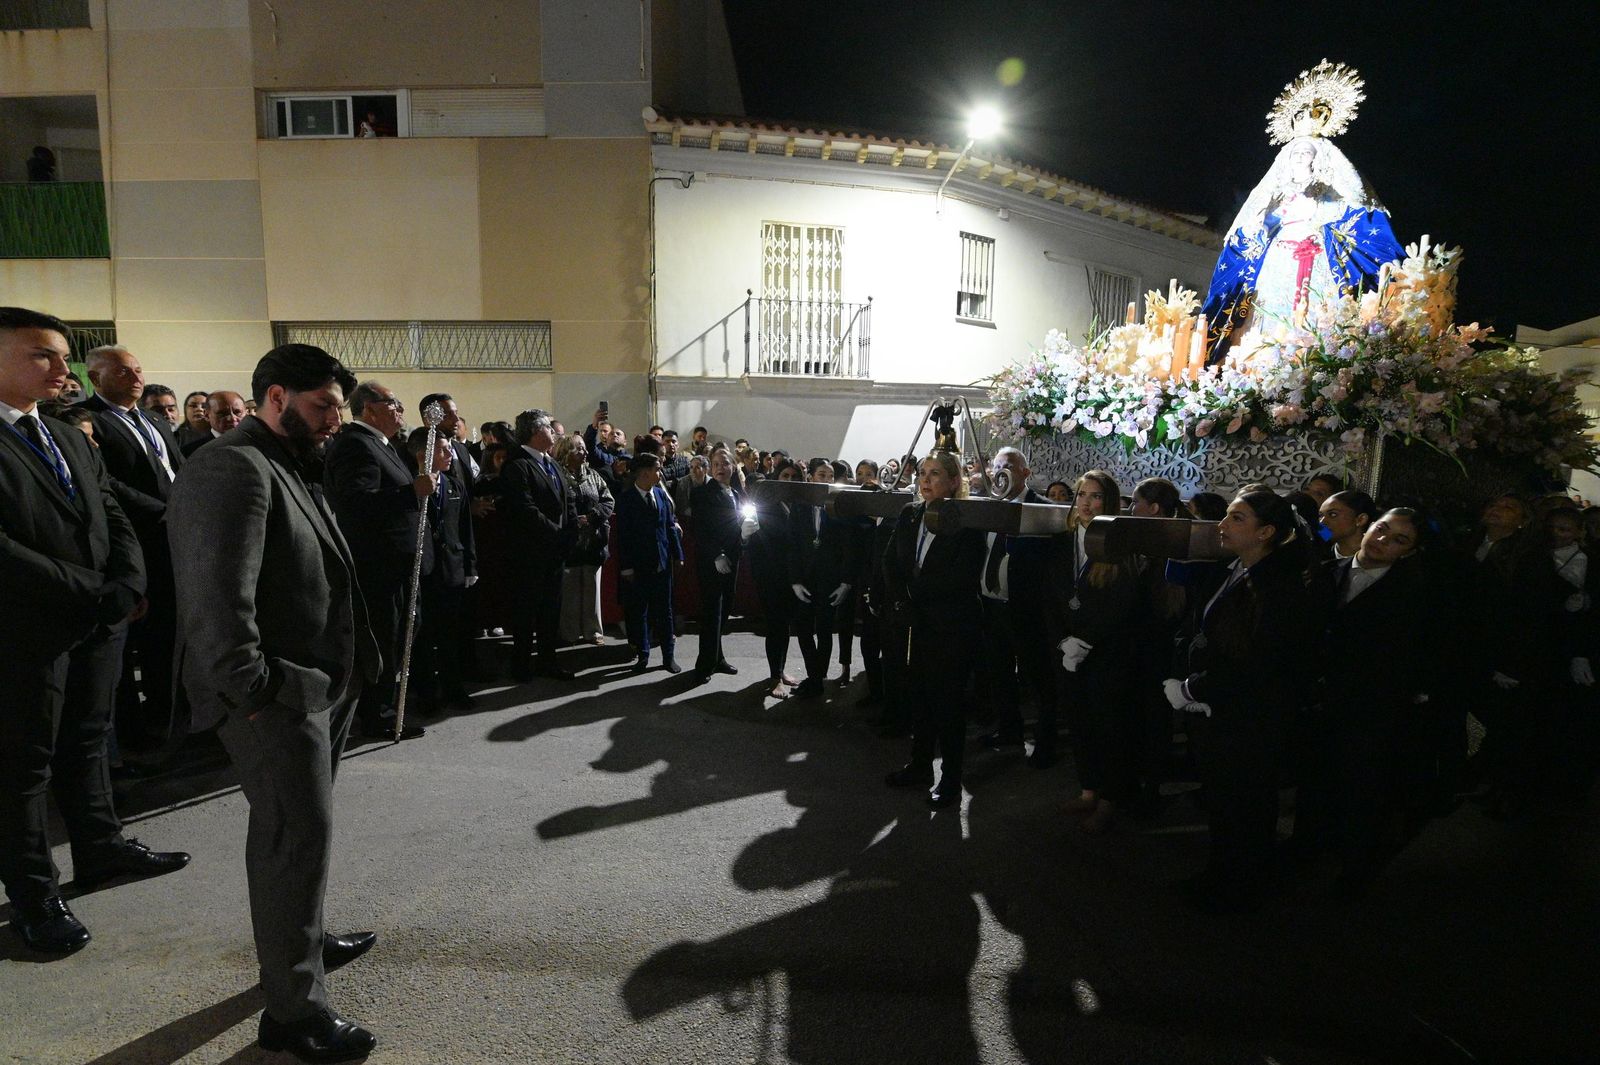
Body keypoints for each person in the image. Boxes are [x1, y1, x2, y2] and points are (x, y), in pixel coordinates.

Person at [168, 342, 381, 1061]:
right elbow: (216, 600)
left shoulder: (288, 457)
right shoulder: (230, 465)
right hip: (273, 694)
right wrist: (256, 693)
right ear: (276, 397)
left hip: (315, 684)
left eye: (338, 409)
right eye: (322, 407)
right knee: (294, 836)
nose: (333, 421)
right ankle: (293, 1012)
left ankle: (304, 945)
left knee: (304, 835)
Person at [0, 306, 189, 955]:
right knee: (23, 762)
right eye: (42, 354)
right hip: (25, 625)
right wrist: (88, 587)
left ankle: (101, 847)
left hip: (96, 616)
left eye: (64, 355)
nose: (63, 368)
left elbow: (109, 508)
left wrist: (129, 579)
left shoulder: (67, 434)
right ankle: (34, 895)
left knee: (86, 739)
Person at [1166, 491, 1317, 912]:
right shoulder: (1236, 568)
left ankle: (1242, 887)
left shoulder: (1278, 586)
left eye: (1236, 518)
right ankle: (1221, 874)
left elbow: (1255, 662)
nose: (1222, 525)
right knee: (1224, 801)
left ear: (1266, 532)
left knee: (1245, 804)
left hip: (1250, 716)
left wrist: (1194, 688)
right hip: (1224, 710)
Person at [1293, 507, 1431, 896]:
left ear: (1409, 551)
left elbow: (1407, 656)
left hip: (1369, 706)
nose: (1383, 540)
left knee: (1361, 787)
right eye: (1382, 529)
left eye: (1399, 539)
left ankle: (1355, 865)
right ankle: (1307, 846)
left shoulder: (1412, 593)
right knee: (1313, 778)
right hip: (1318, 700)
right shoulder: (1328, 572)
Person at [1202, 133, 1403, 358]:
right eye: (1295, 152)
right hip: (1279, 254)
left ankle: (1315, 354)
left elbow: (1351, 207)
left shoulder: (1326, 187)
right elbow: (1263, 221)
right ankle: (1264, 355)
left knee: (1316, 303)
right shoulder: (1277, 190)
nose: (1299, 156)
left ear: (1315, 158)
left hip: (1314, 250)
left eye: (1306, 152)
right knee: (1268, 304)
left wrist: (1316, 207)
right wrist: (1260, 223)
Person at [322, 382, 440, 740]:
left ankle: (386, 706)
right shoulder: (356, 445)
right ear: (369, 408)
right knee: (384, 640)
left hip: (398, 563)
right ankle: (378, 715)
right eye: (392, 403)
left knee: (401, 635)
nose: (400, 408)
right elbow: (356, 503)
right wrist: (411, 492)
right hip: (379, 564)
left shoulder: (382, 444)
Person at [81, 344, 184, 751]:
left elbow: (176, 469)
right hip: (135, 543)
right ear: (95, 378)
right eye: (123, 372)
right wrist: (163, 510)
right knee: (139, 642)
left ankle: (171, 719)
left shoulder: (155, 419)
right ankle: (137, 733)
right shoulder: (90, 421)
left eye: (138, 369)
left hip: (175, 538)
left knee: (171, 635)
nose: (136, 377)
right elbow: (105, 482)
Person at [882, 451, 986, 808]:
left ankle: (951, 780)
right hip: (916, 622)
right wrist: (902, 600)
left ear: (954, 481)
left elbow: (962, 575)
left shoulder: (967, 521)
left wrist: (913, 594)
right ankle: (920, 765)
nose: (925, 480)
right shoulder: (910, 513)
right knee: (920, 698)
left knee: (948, 704)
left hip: (951, 625)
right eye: (923, 473)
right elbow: (891, 561)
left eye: (935, 474)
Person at [1051, 470, 1141, 831]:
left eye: (1096, 496)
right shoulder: (1063, 541)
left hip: (1105, 652)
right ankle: (1088, 789)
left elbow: (1122, 604)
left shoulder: (1118, 545)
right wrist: (1063, 640)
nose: (1086, 503)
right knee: (1079, 722)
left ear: (1110, 502)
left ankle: (1109, 799)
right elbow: (1050, 596)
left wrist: (1087, 641)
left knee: (1108, 727)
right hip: (1069, 649)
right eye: (1082, 495)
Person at [973, 448, 1058, 767]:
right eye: (996, 466)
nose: (1000, 472)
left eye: (1007, 466)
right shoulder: (990, 507)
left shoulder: (1042, 509)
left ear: (1025, 472)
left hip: (1026, 608)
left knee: (1037, 677)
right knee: (999, 673)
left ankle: (1045, 741)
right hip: (992, 605)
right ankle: (1009, 729)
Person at [501, 408, 577, 683]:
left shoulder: (552, 463)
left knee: (550, 610)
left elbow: (568, 499)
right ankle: (521, 664)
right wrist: (557, 533)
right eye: (548, 428)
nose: (555, 433)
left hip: (554, 552)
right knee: (526, 611)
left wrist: (571, 530)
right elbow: (525, 509)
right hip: (530, 553)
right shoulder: (517, 465)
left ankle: (548, 661)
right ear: (535, 432)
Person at [404, 425, 476, 714]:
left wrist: (470, 565)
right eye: (443, 450)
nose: (450, 455)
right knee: (422, 637)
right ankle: (426, 694)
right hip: (422, 571)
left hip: (451, 568)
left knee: (450, 634)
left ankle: (453, 687)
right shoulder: (410, 484)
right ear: (423, 454)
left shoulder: (455, 485)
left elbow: (465, 528)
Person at [787, 457, 858, 698]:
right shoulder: (799, 506)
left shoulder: (838, 507)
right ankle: (814, 675)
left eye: (830, 476)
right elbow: (792, 545)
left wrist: (846, 582)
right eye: (821, 475)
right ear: (811, 477)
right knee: (803, 629)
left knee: (825, 630)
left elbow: (849, 546)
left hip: (830, 578)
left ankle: (816, 680)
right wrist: (795, 580)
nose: (827, 480)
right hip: (805, 579)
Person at [615, 452, 683, 673]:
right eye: (657, 469)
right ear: (644, 473)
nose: (660, 473)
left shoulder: (660, 495)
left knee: (665, 612)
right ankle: (643, 656)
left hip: (662, 563)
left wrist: (678, 554)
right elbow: (623, 536)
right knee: (640, 612)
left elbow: (669, 526)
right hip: (639, 566)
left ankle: (668, 657)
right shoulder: (626, 500)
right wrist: (626, 568)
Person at [554, 432, 614, 646]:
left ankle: (593, 631)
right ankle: (569, 632)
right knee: (569, 589)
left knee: (592, 588)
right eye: (579, 448)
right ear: (566, 452)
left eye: (584, 448)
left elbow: (608, 501)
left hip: (594, 541)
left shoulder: (593, 475)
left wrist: (592, 517)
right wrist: (574, 521)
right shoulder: (557, 476)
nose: (585, 452)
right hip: (569, 542)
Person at [691, 447, 745, 681]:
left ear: (733, 466)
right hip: (712, 561)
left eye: (725, 463)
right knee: (712, 613)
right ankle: (704, 665)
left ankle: (717, 657)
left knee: (725, 610)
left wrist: (746, 535)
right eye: (716, 464)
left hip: (732, 558)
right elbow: (700, 529)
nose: (720, 468)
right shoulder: (703, 493)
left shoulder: (737, 493)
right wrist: (717, 555)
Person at [748, 460, 800, 697]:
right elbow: (761, 543)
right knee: (775, 625)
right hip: (770, 574)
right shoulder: (766, 503)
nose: (789, 480)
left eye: (793, 476)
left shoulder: (799, 504)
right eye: (785, 475)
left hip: (791, 575)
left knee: (784, 625)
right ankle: (775, 677)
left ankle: (781, 670)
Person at [180, 389, 246, 457]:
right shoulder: (191, 451)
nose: (232, 418)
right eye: (223, 413)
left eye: (237, 412)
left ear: (246, 413)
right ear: (207, 415)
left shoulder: (252, 442)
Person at [1319, 488, 1376, 559]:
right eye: (1320, 516)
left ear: (1360, 520)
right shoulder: (1315, 557)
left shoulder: (1377, 559)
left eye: (1333, 514)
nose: (1322, 522)